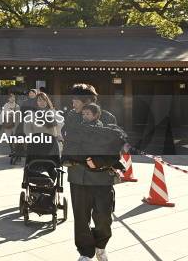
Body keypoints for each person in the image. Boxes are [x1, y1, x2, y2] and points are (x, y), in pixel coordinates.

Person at [61, 84, 127, 261]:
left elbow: (114, 145)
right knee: (81, 218)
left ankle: (100, 245)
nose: (73, 103)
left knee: (104, 217)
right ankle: (85, 252)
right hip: (78, 175)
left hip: (102, 176)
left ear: (87, 101)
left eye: (75, 100)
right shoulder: (71, 117)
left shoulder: (108, 117)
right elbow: (70, 142)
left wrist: (99, 160)